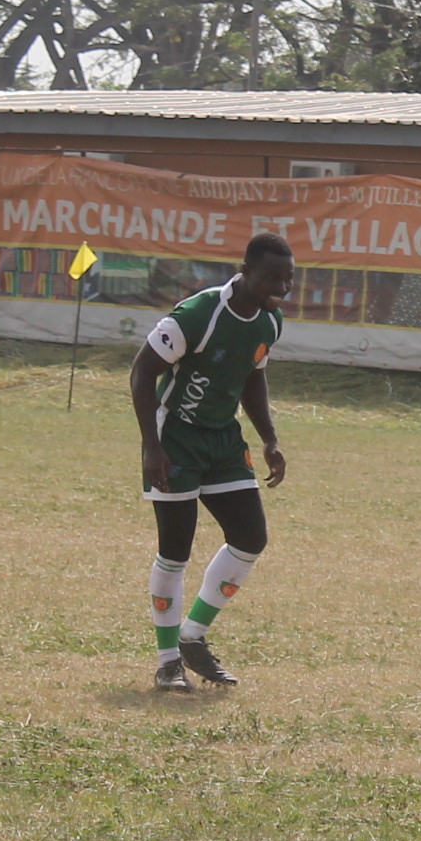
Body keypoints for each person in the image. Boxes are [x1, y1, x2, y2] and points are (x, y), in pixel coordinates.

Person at [130, 233, 294, 693]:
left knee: (250, 537)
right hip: (176, 438)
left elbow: (253, 380)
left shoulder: (269, 321)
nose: (280, 286)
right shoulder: (197, 314)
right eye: (270, 277)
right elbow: (142, 372)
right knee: (175, 550)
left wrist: (270, 439)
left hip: (223, 439)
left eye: (287, 278)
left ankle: (192, 636)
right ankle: (167, 662)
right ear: (244, 269)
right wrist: (151, 446)